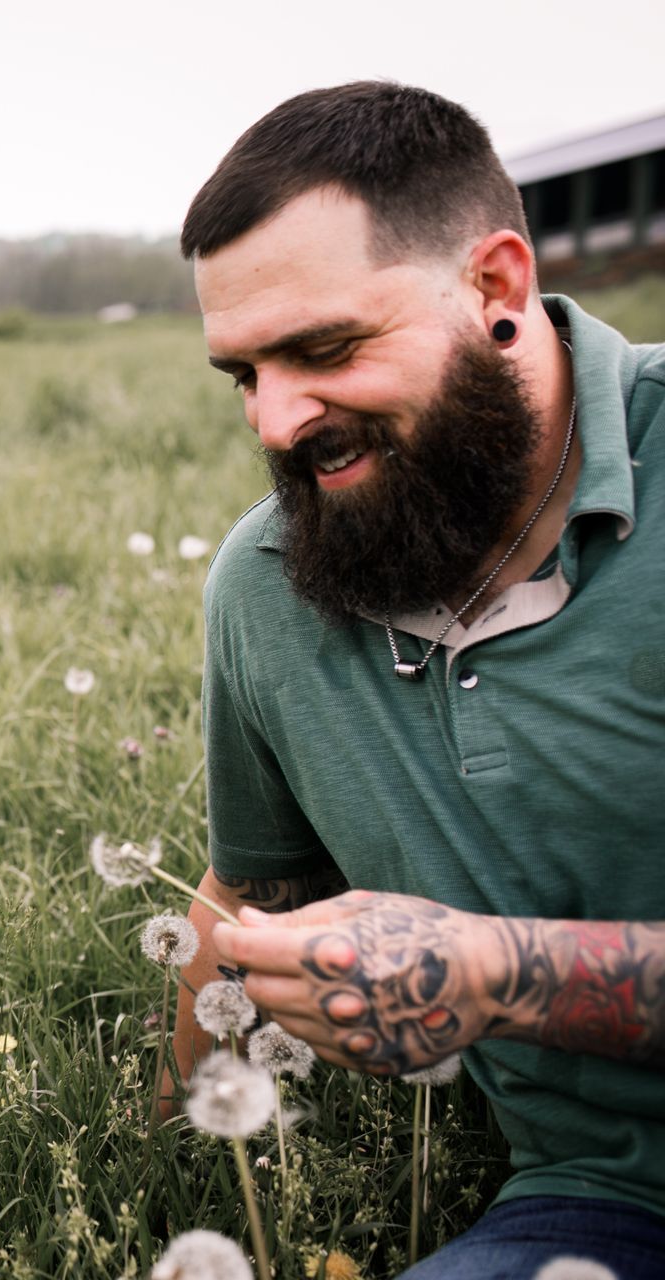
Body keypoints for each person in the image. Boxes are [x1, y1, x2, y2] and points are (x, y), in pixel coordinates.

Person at [165, 82, 665, 1279]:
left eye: (325, 349)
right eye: (242, 372)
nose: (276, 421)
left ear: (493, 286)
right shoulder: (271, 578)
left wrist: (492, 972)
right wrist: (177, 1142)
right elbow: (247, 893)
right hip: (602, 1209)